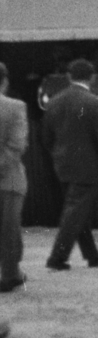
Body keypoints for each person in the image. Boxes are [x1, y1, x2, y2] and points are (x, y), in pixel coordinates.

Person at [40, 57, 98, 270]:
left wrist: (58, 154)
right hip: (87, 166)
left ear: (69, 76)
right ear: (92, 78)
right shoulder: (95, 103)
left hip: (62, 164)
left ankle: (92, 255)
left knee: (76, 210)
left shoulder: (55, 101)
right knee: (75, 211)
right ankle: (57, 257)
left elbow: (46, 138)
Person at [0, 61, 28, 293]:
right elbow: (17, 145)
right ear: (5, 81)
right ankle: (10, 274)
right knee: (10, 229)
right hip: (8, 178)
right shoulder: (15, 107)